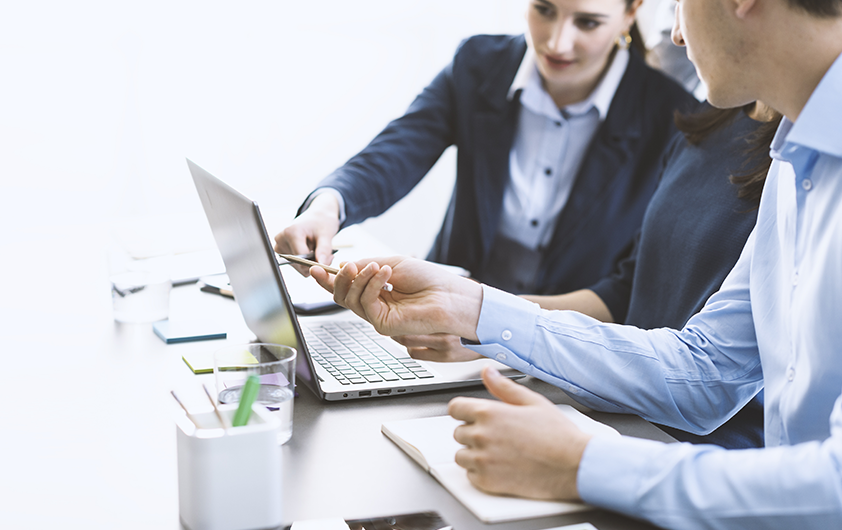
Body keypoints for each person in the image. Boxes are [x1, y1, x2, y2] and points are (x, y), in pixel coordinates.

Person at [307, 0, 842, 525]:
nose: (675, 35)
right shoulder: (795, 165)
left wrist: (583, 464)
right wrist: (471, 309)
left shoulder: (703, 123)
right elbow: (707, 373)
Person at [398, 100, 782, 450]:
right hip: (610, 408)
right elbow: (627, 289)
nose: (676, 36)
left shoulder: (795, 164)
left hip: (689, 451)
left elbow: (706, 378)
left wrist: (484, 316)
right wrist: (476, 318)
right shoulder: (705, 122)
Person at [275, 0, 694, 296]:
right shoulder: (478, 63)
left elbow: (636, 280)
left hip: (564, 349)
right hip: (436, 322)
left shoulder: (671, 115)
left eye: (587, 23)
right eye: (543, 9)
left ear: (631, 11)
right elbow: (397, 151)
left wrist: (486, 325)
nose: (556, 42)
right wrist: (327, 206)